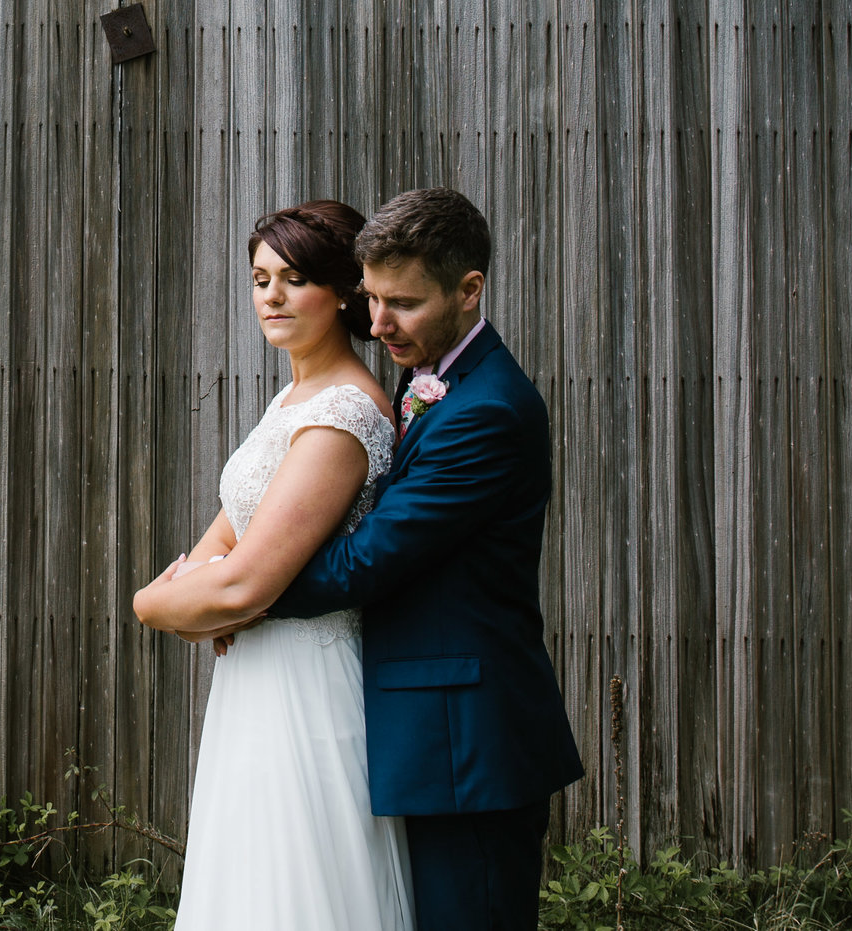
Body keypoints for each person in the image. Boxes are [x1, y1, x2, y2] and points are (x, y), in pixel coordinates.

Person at [143, 188, 583, 931]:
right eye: (371, 298)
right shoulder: (425, 378)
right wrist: (220, 590)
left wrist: (230, 596)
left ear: (469, 289)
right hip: (413, 724)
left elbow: (363, 562)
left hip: (466, 742)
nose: (377, 323)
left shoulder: (488, 412)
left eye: (400, 303)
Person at [133, 200, 412, 931]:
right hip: (252, 683)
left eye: (294, 278)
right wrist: (206, 597)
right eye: (260, 279)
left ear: (345, 289)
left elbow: (239, 580)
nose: (272, 297)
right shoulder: (292, 398)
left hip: (308, 687)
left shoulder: (344, 412)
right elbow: (214, 551)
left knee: (298, 888)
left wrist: (149, 605)